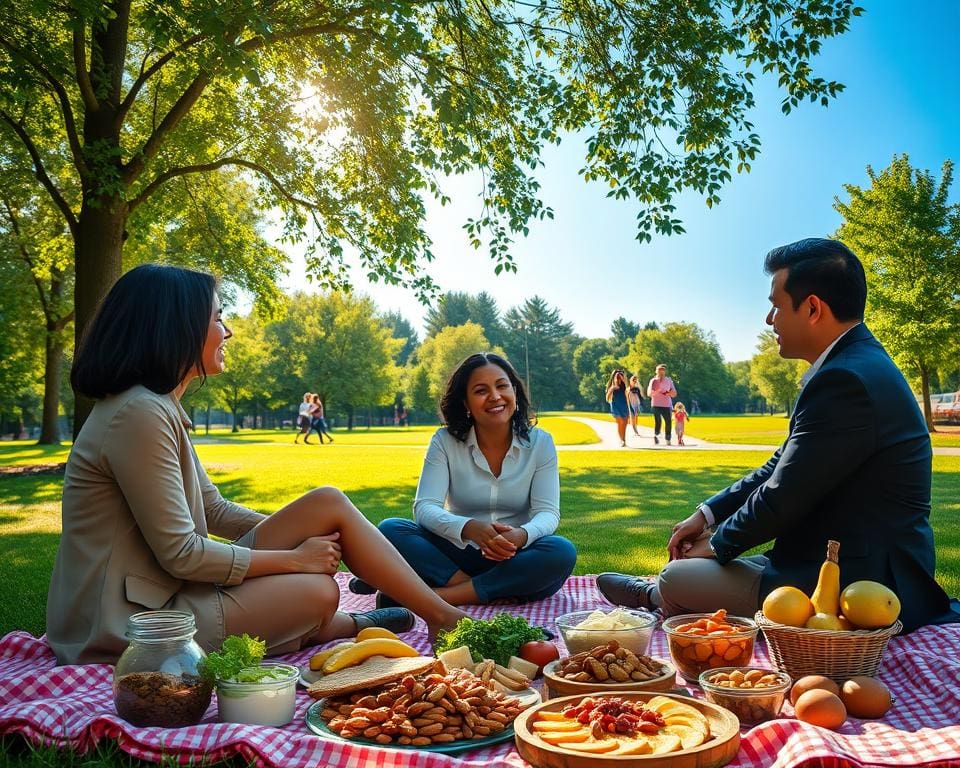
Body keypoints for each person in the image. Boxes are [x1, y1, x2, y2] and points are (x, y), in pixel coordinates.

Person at [46, 265, 466, 665]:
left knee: (326, 505)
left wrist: (305, 531)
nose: (226, 331)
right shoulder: (138, 413)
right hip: (129, 626)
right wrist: (295, 559)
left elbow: (213, 510)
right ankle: (344, 625)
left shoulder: (154, 406)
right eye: (217, 318)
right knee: (319, 590)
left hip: (160, 596)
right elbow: (183, 555)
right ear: (178, 326)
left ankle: (436, 615)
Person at [597, 238, 960, 634]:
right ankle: (672, 591)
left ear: (813, 308)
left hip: (867, 579)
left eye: (776, 305)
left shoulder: (845, 380)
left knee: (677, 577)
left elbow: (784, 493)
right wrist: (707, 515)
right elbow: (780, 465)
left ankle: (654, 596)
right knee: (698, 567)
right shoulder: (852, 365)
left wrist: (716, 544)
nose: (770, 319)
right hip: (825, 554)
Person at [354, 352, 577, 606]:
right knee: (391, 529)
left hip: (514, 554)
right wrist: (470, 528)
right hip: (456, 553)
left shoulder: (541, 443)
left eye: (502, 386)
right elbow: (424, 508)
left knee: (560, 552)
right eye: (481, 391)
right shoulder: (444, 441)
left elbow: (548, 513)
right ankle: (493, 589)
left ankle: (434, 596)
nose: (495, 396)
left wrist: (522, 536)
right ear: (465, 404)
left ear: (515, 392)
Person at [647, 364, 676, 445]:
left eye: (663, 371)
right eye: (659, 371)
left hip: (666, 405)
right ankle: (656, 435)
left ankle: (668, 438)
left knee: (668, 421)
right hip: (656, 404)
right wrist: (656, 392)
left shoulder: (669, 380)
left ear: (665, 372)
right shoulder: (653, 381)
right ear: (656, 371)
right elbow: (649, 393)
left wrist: (669, 393)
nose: (661, 373)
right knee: (658, 421)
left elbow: (674, 393)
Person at [605, 370, 630, 447]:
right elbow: (607, 398)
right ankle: (621, 440)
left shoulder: (625, 386)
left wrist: (624, 380)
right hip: (615, 405)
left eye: (620, 376)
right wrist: (612, 389)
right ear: (614, 377)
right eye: (617, 376)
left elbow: (629, 392)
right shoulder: (612, 386)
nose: (619, 378)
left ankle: (624, 439)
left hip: (624, 405)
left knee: (624, 424)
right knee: (620, 422)